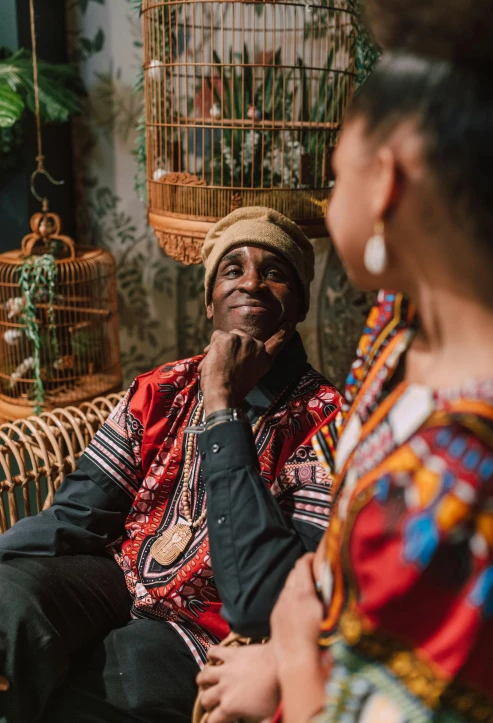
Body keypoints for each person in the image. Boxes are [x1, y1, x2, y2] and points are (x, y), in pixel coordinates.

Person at [197, 0, 493, 721]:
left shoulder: (459, 488)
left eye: (336, 177)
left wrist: (289, 653)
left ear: (387, 182)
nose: (250, 285)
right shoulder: (403, 324)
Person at [0, 206, 341, 723]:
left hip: (213, 630)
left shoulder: (326, 423)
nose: (251, 283)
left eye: (274, 273)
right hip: (121, 579)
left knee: (123, 674)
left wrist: (223, 403)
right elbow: (75, 516)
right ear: (210, 301)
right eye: (233, 270)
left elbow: (271, 592)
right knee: (11, 601)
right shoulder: (162, 388)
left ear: (298, 306)